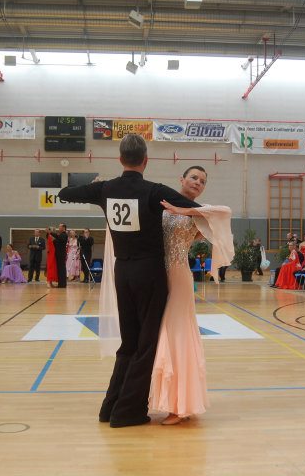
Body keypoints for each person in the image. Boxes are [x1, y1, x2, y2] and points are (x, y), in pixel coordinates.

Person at [57, 134, 200, 428]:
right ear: (145, 160)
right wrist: (186, 208)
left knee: (128, 343)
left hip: (121, 273)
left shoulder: (105, 189)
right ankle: (127, 412)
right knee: (146, 345)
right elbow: (193, 207)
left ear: (120, 159)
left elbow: (65, 193)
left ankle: (109, 407)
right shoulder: (154, 191)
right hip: (150, 274)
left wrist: (96, 186)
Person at [149, 165, 233, 425]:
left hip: (179, 276)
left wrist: (183, 210)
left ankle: (180, 406)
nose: (198, 182)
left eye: (202, 181)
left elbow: (225, 212)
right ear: (181, 179)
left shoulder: (199, 212)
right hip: (156, 276)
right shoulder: (163, 204)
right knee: (157, 333)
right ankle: (166, 400)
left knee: (177, 334)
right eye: (194, 177)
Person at [51, 224, 68, 288]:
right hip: (59, 254)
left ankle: (62, 284)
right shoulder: (61, 235)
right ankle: (60, 284)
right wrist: (54, 240)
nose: (58, 228)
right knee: (60, 269)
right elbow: (58, 242)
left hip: (61, 254)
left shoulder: (64, 234)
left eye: (59, 227)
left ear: (63, 228)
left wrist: (51, 232)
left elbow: (60, 238)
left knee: (62, 269)